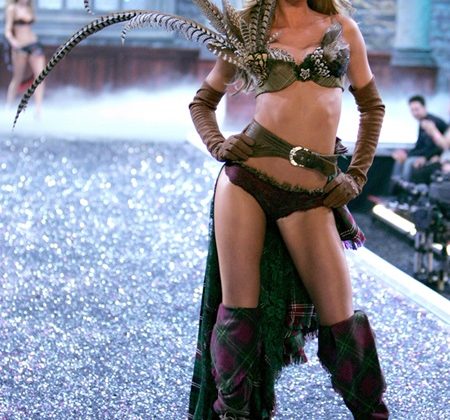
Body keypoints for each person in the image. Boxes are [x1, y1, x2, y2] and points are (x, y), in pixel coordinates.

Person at [10, 1, 388, 418]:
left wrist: (356, 175)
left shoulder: (342, 28)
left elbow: (372, 107)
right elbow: (203, 101)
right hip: (246, 184)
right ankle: (233, 414)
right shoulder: (249, 30)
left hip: (310, 195)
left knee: (342, 322)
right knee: (239, 317)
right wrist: (218, 144)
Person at [391, 95, 447, 183]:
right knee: (399, 159)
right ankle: (396, 187)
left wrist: (425, 158)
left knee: (409, 162)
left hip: (435, 156)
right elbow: (419, 146)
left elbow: (437, 147)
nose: (415, 113)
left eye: (417, 109)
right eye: (412, 110)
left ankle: (406, 189)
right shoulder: (422, 122)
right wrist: (406, 153)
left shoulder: (433, 122)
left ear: (424, 108)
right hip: (425, 154)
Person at [4, 0, 45, 117]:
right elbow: (7, 31)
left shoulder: (29, 7)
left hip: (34, 44)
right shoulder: (12, 8)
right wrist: (13, 42)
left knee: (40, 76)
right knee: (17, 77)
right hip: (19, 46)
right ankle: (9, 106)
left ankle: (38, 110)